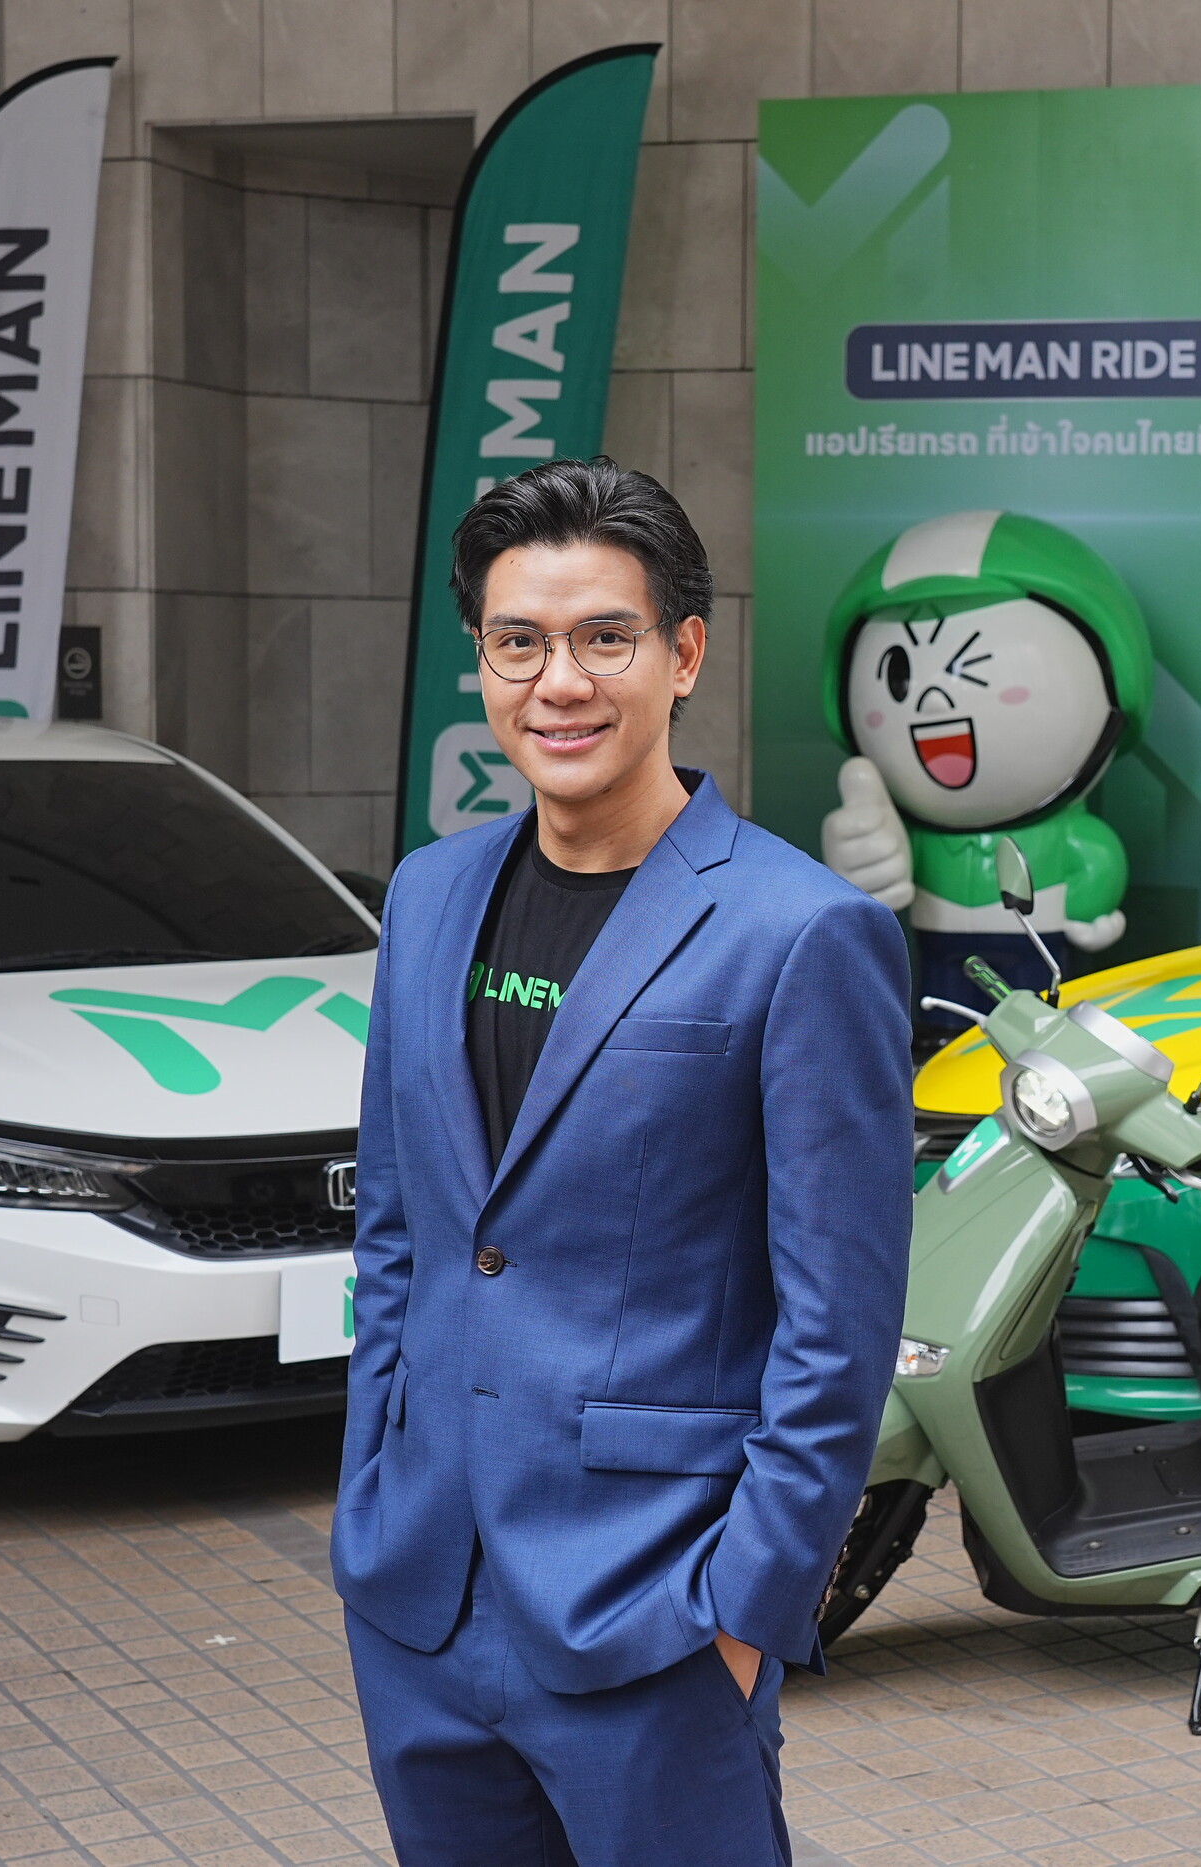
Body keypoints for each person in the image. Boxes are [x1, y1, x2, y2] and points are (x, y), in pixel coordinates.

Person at [333, 457, 913, 1866]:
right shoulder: (428, 894)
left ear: (683, 654)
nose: (560, 684)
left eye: (606, 638)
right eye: (518, 642)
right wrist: (372, 1490)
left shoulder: (800, 931)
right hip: (419, 1594)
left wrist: (746, 1609)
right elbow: (404, 1231)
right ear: (481, 660)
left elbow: (838, 1319)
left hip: (655, 1611)